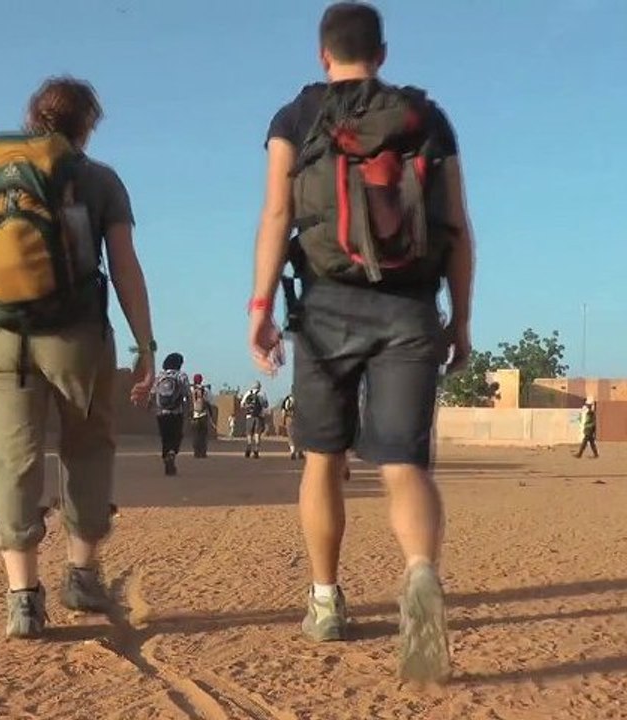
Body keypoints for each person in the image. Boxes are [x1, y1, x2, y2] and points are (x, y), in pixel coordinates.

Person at [248, 3, 474, 684]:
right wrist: (458, 321)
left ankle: (325, 600)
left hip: (325, 307)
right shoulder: (424, 119)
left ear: (324, 55)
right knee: (405, 464)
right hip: (409, 307)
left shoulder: (297, 117)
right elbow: (457, 227)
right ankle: (421, 576)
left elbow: (277, 213)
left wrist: (260, 308)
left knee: (322, 460)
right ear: (382, 51)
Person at [0, 76, 157, 640]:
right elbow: (124, 266)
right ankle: (81, 574)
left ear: (31, 117)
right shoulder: (98, 180)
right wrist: (145, 343)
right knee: (88, 449)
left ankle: (23, 598)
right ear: (87, 125)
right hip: (75, 338)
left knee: (13, 460)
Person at [152, 353, 190, 475]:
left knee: (165, 437)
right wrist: (188, 409)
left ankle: (166, 456)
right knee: (176, 436)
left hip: (161, 413)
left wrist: (149, 406)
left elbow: (153, 393)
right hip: (176, 412)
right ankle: (172, 453)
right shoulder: (181, 376)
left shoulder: (160, 376)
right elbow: (186, 394)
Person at [240, 381, 269, 458]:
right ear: (259, 386)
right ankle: (256, 450)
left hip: (249, 417)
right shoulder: (262, 394)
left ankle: (249, 446)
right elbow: (265, 405)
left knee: (249, 433)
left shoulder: (248, 393)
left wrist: (248, 408)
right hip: (259, 416)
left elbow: (242, 404)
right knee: (257, 434)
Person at [189, 374, 213, 458]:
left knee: (195, 435)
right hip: (203, 415)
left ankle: (196, 452)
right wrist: (211, 414)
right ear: (201, 380)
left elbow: (187, 401)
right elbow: (210, 402)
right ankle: (203, 452)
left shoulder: (191, 389)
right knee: (203, 435)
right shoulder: (206, 390)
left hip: (194, 415)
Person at [281, 391, 304, 460]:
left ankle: (292, 451)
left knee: (291, 435)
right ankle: (300, 451)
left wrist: (283, 420)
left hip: (289, 418)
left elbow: (283, 411)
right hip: (299, 419)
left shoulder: (287, 399)